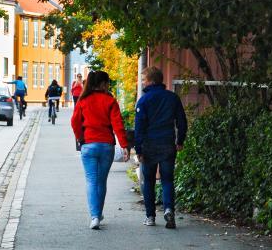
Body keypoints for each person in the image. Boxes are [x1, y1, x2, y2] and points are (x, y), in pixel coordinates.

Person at [71, 70, 130, 230]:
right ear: (103, 84)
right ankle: (98, 213)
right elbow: (118, 125)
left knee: (91, 180)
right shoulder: (110, 101)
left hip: (88, 145)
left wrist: (80, 138)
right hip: (106, 146)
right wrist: (124, 145)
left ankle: (95, 216)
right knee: (101, 181)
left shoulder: (83, 100)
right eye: (108, 83)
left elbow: (75, 122)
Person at [134, 66, 188, 229]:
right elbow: (181, 121)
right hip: (167, 144)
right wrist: (180, 141)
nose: (142, 82)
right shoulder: (172, 98)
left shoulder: (144, 101)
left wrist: (138, 149)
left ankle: (150, 216)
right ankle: (169, 209)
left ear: (151, 81)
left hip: (149, 146)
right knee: (167, 180)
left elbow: (139, 127)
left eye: (143, 80)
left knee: (149, 181)